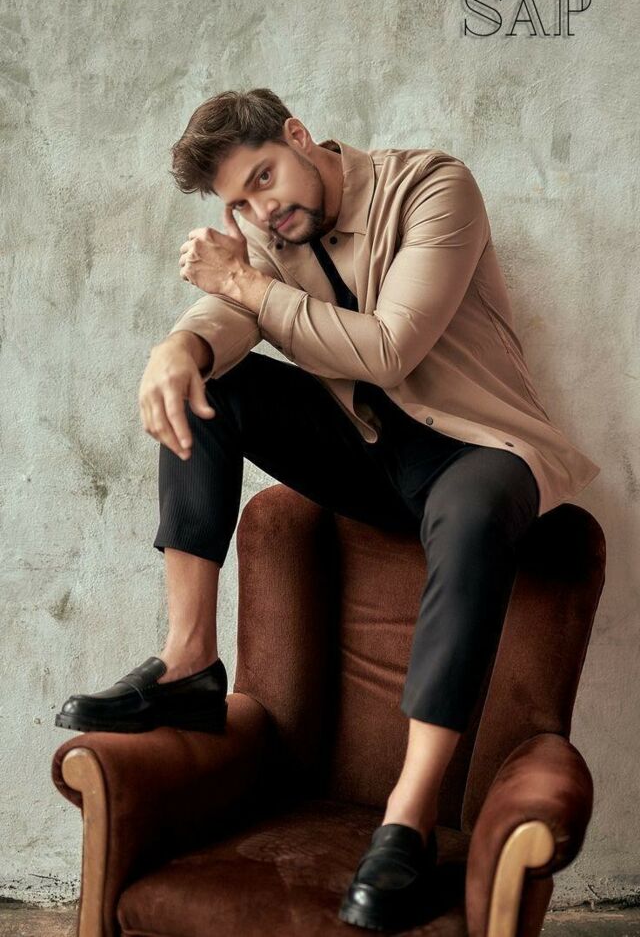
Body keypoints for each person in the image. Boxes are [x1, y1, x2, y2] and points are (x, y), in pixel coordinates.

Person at [54, 88, 600, 931]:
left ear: (301, 136)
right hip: (373, 456)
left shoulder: (433, 186)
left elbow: (390, 348)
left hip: (481, 449)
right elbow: (228, 313)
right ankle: (189, 662)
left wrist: (242, 278)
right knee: (209, 382)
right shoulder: (272, 236)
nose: (261, 212)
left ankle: (407, 822)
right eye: (239, 203)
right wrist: (178, 346)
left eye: (264, 179)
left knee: (477, 506)